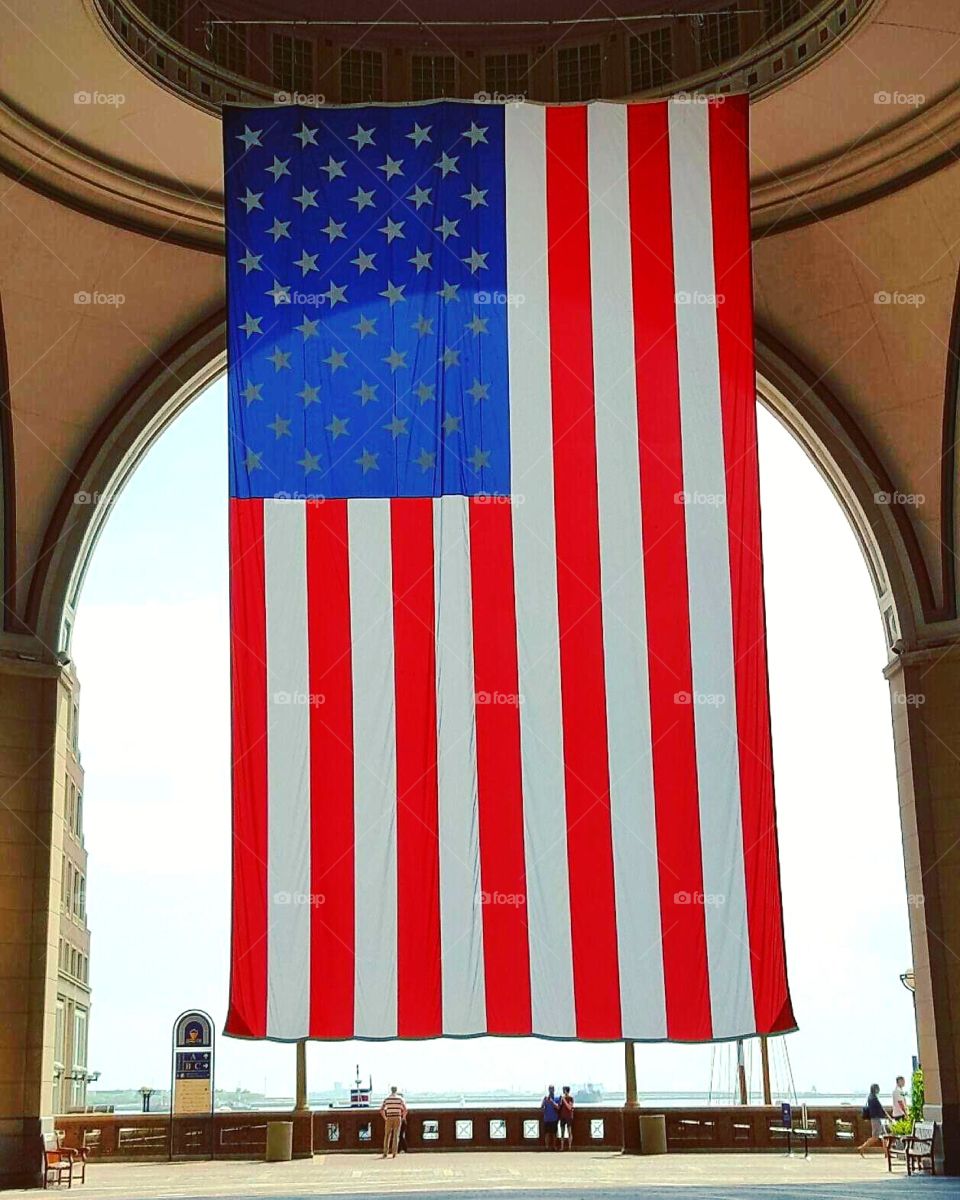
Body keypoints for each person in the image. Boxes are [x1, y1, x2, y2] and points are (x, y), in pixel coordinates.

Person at [857, 1083, 889, 1155]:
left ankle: (886, 1153)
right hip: (876, 1119)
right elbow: (880, 1108)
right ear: (875, 1089)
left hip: (875, 1119)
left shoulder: (870, 1097)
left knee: (884, 1136)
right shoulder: (873, 1098)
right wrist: (887, 1116)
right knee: (875, 1137)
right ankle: (862, 1148)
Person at [379, 1085, 407, 1159]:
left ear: (391, 1090)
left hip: (389, 1117)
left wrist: (385, 1118)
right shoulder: (400, 1099)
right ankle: (394, 1153)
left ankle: (385, 1152)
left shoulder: (387, 1099)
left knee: (387, 1135)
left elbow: (381, 1110)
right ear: (396, 1090)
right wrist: (403, 1117)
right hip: (397, 1117)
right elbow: (405, 1109)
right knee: (396, 1135)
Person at [541, 1085, 560, 1150]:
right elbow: (542, 1106)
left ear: (554, 1090)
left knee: (554, 1134)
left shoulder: (557, 1098)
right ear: (548, 1090)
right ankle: (547, 1147)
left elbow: (558, 1107)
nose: (551, 1090)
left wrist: (552, 1101)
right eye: (550, 1089)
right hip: (547, 1118)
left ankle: (554, 1147)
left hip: (554, 1118)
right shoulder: (545, 1098)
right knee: (547, 1134)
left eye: (552, 1089)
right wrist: (544, 1104)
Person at [558, 1086, 575, 1151]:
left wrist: (564, 1100)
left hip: (568, 1117)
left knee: (569, 1131)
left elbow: (570, 1107)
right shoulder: (562, 1098)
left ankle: (569, 1147)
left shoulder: (570, 1098)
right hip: (562, 1117)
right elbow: (559, 1107)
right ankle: (562, 1147)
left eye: (564, 1090)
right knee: (562, 1132)